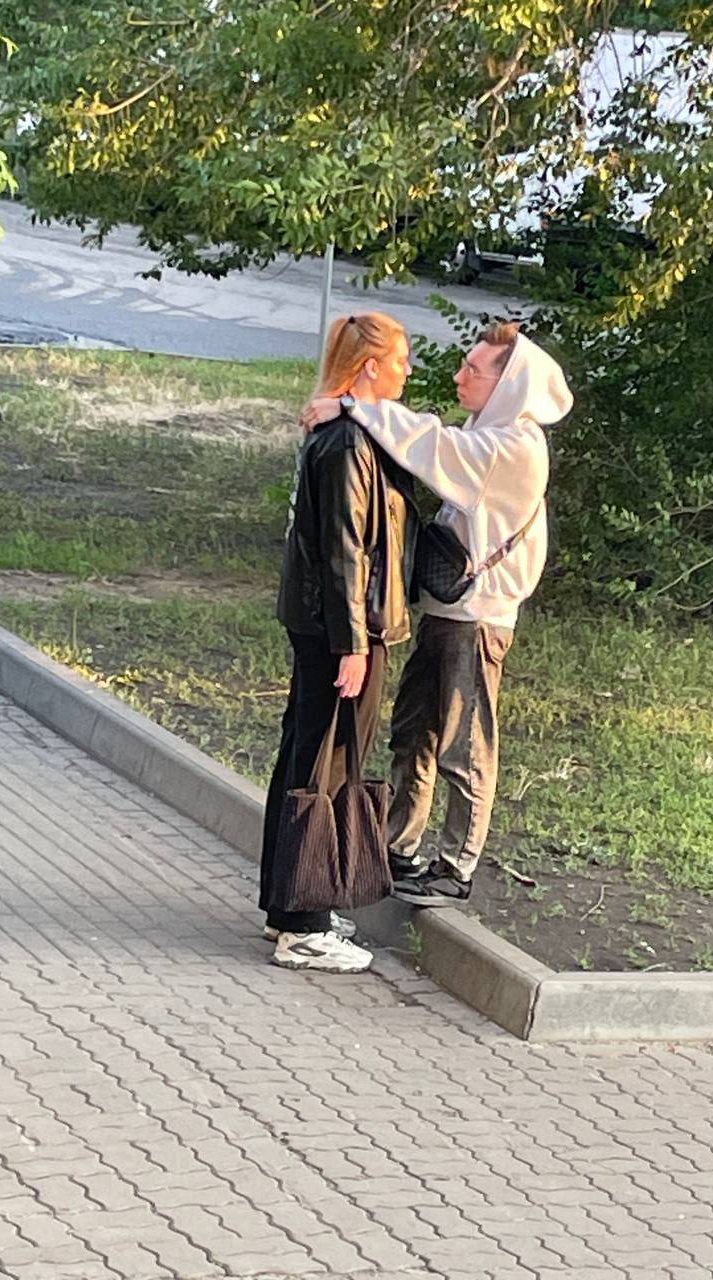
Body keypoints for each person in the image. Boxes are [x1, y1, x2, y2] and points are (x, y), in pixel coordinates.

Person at [301, 322, 573, 906]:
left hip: (478, 619)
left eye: (473, 370)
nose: (459, 376)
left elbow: (434, 446)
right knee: (415, 731)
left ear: (509, 384)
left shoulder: (514, 447)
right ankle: (398, 847)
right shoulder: (489, 432)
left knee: (464, 741)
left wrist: (353, 405)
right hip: (450, 609)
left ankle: (456, 865)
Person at [260, 311, 417, 972]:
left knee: (307, 752)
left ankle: (289, 905)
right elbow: (346, 550)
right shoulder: (350, 443)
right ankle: (304, 924)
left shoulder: (346, 429)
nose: (407, 371)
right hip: (342, 628)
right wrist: (354, 643)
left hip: (324, 622)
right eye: (401, 359)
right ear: (371, 365)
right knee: (325, 762)